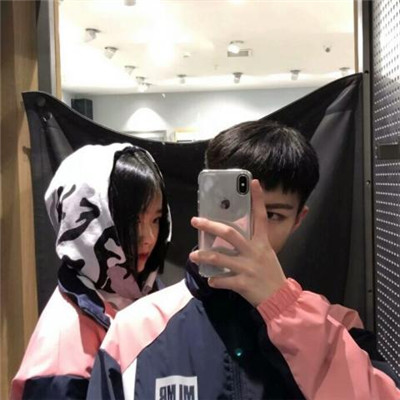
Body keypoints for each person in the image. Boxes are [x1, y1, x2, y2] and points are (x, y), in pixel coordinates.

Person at [87, 121, 400, 399]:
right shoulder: (135, 330)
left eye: (273, 215)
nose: (250, 231)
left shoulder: (338, 328)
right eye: (233, 208)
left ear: (298, 221)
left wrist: (284, 308)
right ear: (204, 204)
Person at [10, 143, 171, 400]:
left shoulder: (147, 294)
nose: (149, 237)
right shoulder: (61, 347)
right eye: (133, 221)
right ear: (89, 223)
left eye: (156, 220)